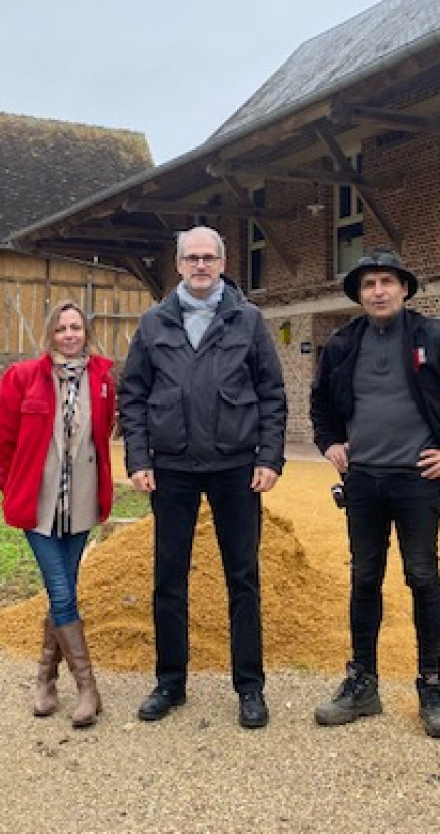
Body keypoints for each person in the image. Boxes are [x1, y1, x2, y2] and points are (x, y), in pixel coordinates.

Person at [309, 249, 440, 738]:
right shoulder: (342, 343)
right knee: (364, 579)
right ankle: (363, 684)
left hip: (417, 481)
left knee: (422, 577)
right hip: (362, 482)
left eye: (386, 282)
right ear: (359, 295)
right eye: (368, 284)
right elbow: (320, 404)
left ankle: (431, 685)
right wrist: (330, 440)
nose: (378, 291)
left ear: (404, 288)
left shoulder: (435, 337)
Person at [118, 225, 287, 729]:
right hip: (171, 468)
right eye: (191, 258)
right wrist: (139, 459)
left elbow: (272, 394)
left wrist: (270, 458)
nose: (199, 265)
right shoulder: (153, 323)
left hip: (236, 466)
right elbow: (133, 396)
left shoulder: (249, 320)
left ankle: (250, 687)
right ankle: (171, 681)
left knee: (243, 577)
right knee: (169, 577)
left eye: (208, 257)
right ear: (177, 265)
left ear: (223, 261)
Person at [0, 300, 117, 728]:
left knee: (63, 591)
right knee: (62, 593)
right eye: (61, 327)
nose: (69, 334)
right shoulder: (22, 377)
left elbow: (103, 435)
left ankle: (45, 679)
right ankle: (88, 689)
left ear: (86, 332)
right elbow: (2, 441)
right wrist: (13, 489)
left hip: (79, 505)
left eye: (76, 327)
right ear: (50, 334)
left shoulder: (101, 379)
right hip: (39, 506)